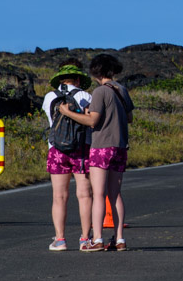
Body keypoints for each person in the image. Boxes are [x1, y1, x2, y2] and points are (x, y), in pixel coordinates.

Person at [62, 53, 134, 250]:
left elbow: (93, 121)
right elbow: (129, 118)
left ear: (96, 71)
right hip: (120, 146)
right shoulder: (122, 89)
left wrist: (68, 113)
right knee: (115, 194)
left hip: (101, 146)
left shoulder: (100, 91)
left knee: (99, 194)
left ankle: (98, 238)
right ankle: (119, 239)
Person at [42, 64, 95, 251]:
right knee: (84, 195)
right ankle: (85, 238)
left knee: (59, 196)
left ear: (60, 79)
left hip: (56, 149)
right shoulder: (85, 96)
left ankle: (60, 239)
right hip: (81, 149)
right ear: (78, 80)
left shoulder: (49, 97)